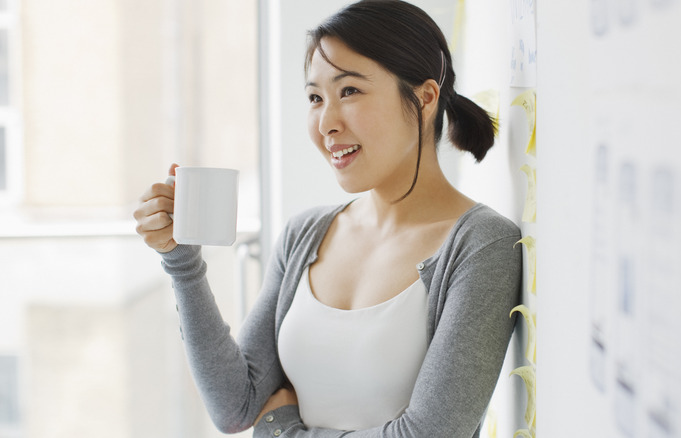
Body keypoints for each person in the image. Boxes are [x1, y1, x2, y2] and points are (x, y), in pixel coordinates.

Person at [133, 1, 522, 436]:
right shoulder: (306, 234)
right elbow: (235, 405)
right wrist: (181, 259)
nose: (326, 123)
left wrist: (282, 430)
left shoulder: (481, 245)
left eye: (349, 91)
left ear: (425, 97)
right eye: (315, 98)